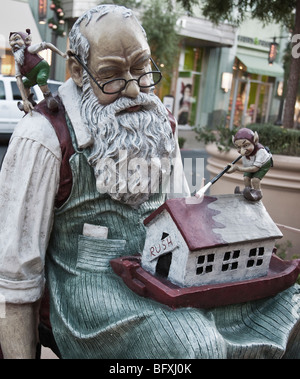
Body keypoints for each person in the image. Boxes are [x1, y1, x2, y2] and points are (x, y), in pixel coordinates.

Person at [0, 5, 299, 359]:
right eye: (111, 75)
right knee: (193, 348)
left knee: (288, 309)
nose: (133, 90)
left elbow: (181, 211)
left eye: (141, 68)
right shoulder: (46, 135)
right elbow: (14, 275)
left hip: (167, 279)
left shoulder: (158, 120)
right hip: (92, 299)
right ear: (79, 72)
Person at [9, 29, 67, 113]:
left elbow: (47, 45)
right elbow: (19, 80)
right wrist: (24, 100)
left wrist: (62, 54)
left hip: (41, 69)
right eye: (10, 41)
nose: (13, 43)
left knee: (40, 78)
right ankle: (30, 101)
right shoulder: (17, 61)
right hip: (31, 76)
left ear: (26, 40)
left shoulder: (30, 50)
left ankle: (49, 97)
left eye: (16, 39)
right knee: (25, 83)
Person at [227, 128, 273, 201]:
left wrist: (237, 169)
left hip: (263, 164)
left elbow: (255, 168)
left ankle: (258, 193)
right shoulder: (246, 153)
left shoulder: (260, 152)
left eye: (245, 145)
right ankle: (248, 191)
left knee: (255, 180)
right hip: (252, 164)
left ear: (255, 141)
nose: (242, 151)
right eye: (238, 147)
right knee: (246, 178)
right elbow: (248, 167)